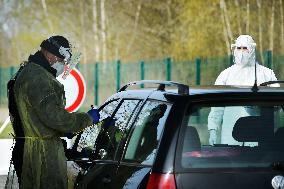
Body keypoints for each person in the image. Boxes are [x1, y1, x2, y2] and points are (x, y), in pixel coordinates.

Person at [10, 35, 99, 189]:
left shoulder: (28, 72)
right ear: (50, 54)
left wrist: (62, 131)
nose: (63, 65)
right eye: (62, 60)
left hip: (30, 151)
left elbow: (39, 117)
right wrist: (87, 119)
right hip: (42, 158)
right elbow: (56, 118)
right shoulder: (39, 78)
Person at [207, 34, 279, 145]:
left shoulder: (266, 74)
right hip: (230, 137)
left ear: (252, 49)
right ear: (234, 49)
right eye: (238, 48)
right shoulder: (225, 75)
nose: (241, 51)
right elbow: (217, 107)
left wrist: (258, 107)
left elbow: (277, 104)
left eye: (245, 48)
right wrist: (213, 130)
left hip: (260, 139)